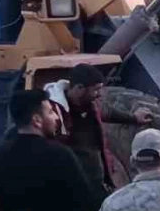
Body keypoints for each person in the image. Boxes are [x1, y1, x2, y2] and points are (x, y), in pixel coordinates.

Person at [44, 63, 153, 196]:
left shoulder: (91, 104)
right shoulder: (55, 112)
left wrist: (134, 118)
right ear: (80, 88)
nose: (98, 94)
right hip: (73, 182)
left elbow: (107, 112)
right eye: (95, 90)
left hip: (97, 179)